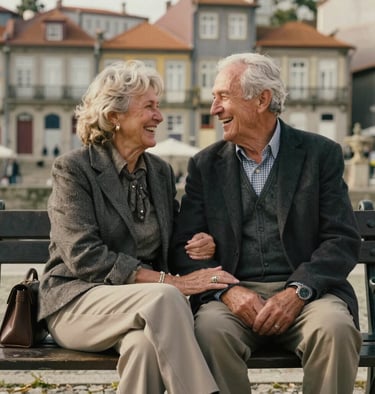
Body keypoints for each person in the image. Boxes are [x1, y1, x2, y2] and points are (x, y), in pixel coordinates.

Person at [38, 60, 239, 394]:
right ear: (114, 115)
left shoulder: (158, 172)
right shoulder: (74, 170)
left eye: (158, 107)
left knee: (145, 348)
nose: (159, 117)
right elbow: (84, 256)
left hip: (142, 308)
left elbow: (174, 236)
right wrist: (168, 281)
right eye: (149, 107)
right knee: (167, 297)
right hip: (76, 304)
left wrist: (199, 241)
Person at [171, 53, 362, 394]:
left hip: (309, 296)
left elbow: (341, 239)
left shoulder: (321, 155)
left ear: (262, 100)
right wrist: (228, 291)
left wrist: (298, 291)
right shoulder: (204, 165)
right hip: (233, 297)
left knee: (335, 329)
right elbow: (183, 249)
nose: (214, 109)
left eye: (223, 97)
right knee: (208, 332)